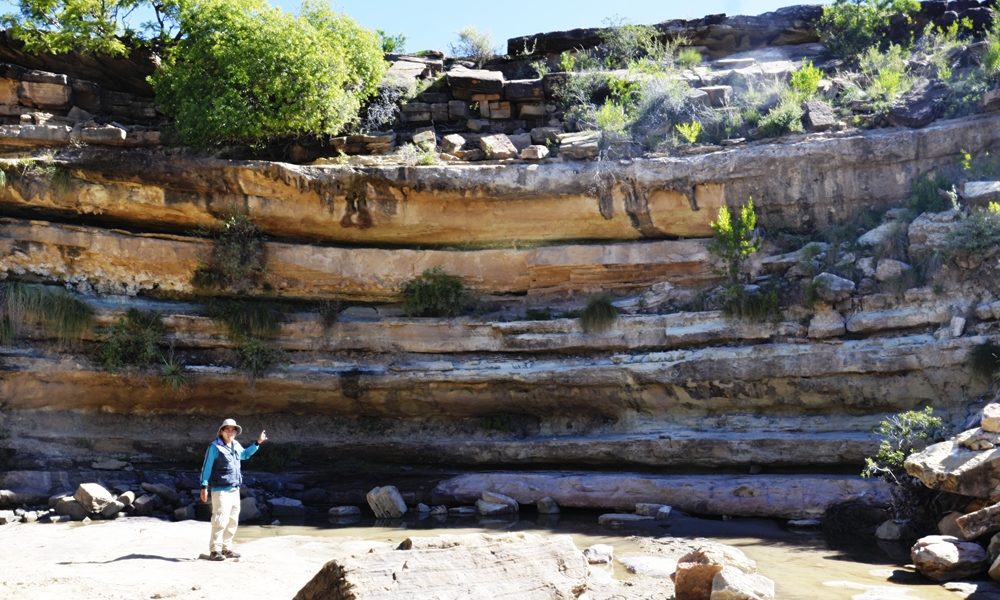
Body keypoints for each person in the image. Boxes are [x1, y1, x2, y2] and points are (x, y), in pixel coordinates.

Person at [199, 418, 267, 561]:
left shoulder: (235, 444)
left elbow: (245, 455)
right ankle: (214, 550)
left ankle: (226, 549)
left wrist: (257, 443)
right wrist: (204, 486)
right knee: (220, 519)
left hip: (234, 489)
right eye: (227, 429)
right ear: (221, 431)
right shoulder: (214, 447)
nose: (230, 431)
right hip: (220, 489)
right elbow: (207, 467)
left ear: (236, 432)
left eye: (233, 429)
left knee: (232, 520)